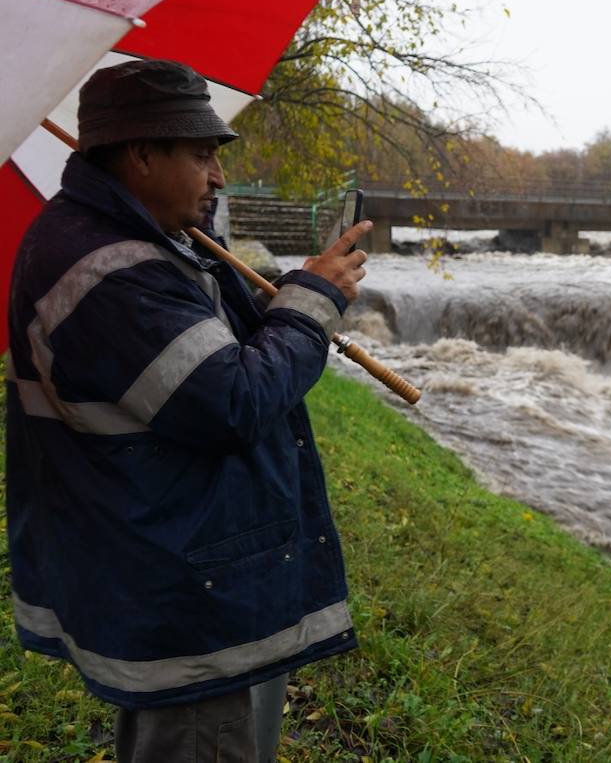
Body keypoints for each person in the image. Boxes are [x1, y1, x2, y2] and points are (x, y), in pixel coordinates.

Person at [5, 59, 370, 761]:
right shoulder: (110, 267)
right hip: (185, 585)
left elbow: (198, 360)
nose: (220, 176)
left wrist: (272, 303)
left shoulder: (144, 241)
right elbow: (232, 399)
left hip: (183, 566)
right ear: (141, 154)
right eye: (203, 155)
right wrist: (308, 305)